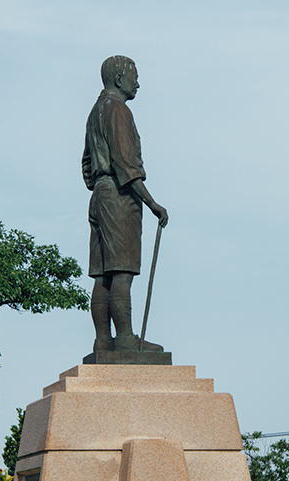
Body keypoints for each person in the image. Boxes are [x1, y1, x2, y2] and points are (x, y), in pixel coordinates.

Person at [82, 55, 169, 352]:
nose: (138, 83)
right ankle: (126, 339)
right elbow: (125, 164)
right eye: (135, 77)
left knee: (103, 272)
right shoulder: (117, 109)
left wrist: (99, 184)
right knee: (121, 270)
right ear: (120, 79)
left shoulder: (95, 111)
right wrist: (152, 202)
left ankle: (103, 341)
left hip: (100, 195)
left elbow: (85, 164)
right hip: (119, 195)